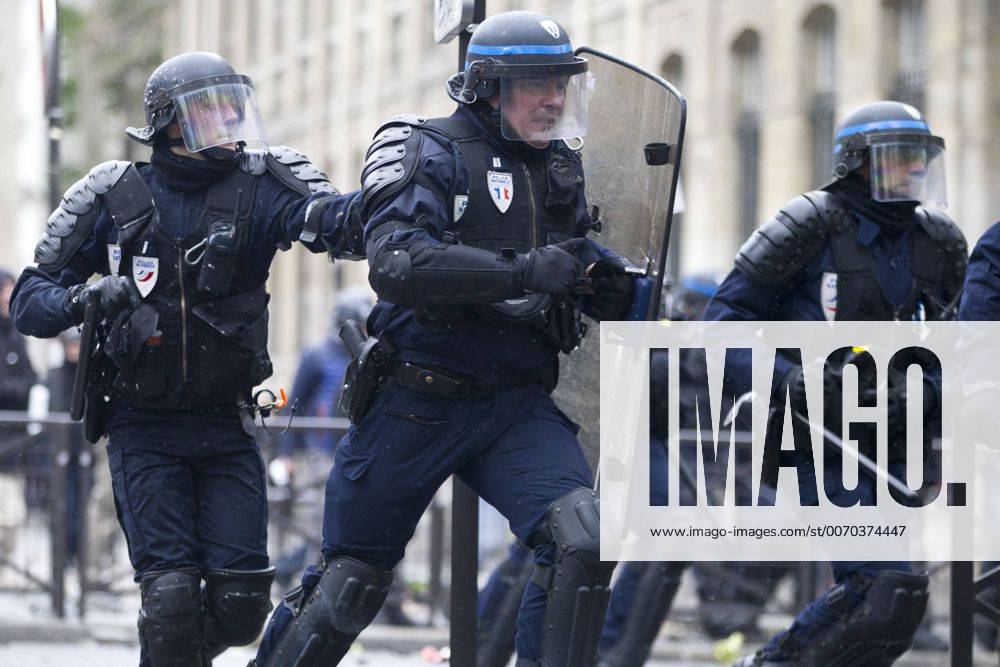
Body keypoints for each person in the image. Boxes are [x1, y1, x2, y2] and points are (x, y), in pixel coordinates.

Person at [253, 11, 634, 667]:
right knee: (349, 586)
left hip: (513, 403)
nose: (553, 98)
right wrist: (517, 272)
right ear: (488, 86)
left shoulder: (561, 170)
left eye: (561, 82)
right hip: (415, 400)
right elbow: (398, 262)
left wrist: (610, 284)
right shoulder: (422, 148)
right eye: (537, 81)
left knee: (584, 537)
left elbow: (575, 257)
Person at [9, 51, 362, 666]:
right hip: (141, 427)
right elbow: (30, 303)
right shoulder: (113, 192)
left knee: (242, 605)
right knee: (169, 598)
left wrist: (396, 198)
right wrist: (84, 295)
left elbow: (334, 220)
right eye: (209, 109)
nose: (227, 121)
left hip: (225, 426)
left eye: (234, 106)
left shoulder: (261, 183)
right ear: (168, 122)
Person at [703, 101, 967, 666]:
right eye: (899, 158)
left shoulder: (938, 239)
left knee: (894, 602)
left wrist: (932, 392)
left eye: (921, 158)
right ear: (857, 165)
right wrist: (789, 380)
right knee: (882, 587)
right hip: (817, 433)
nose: (914, 170)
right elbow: (720, 326)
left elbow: (960, 341)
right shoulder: (806, 225)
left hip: (898, 437)